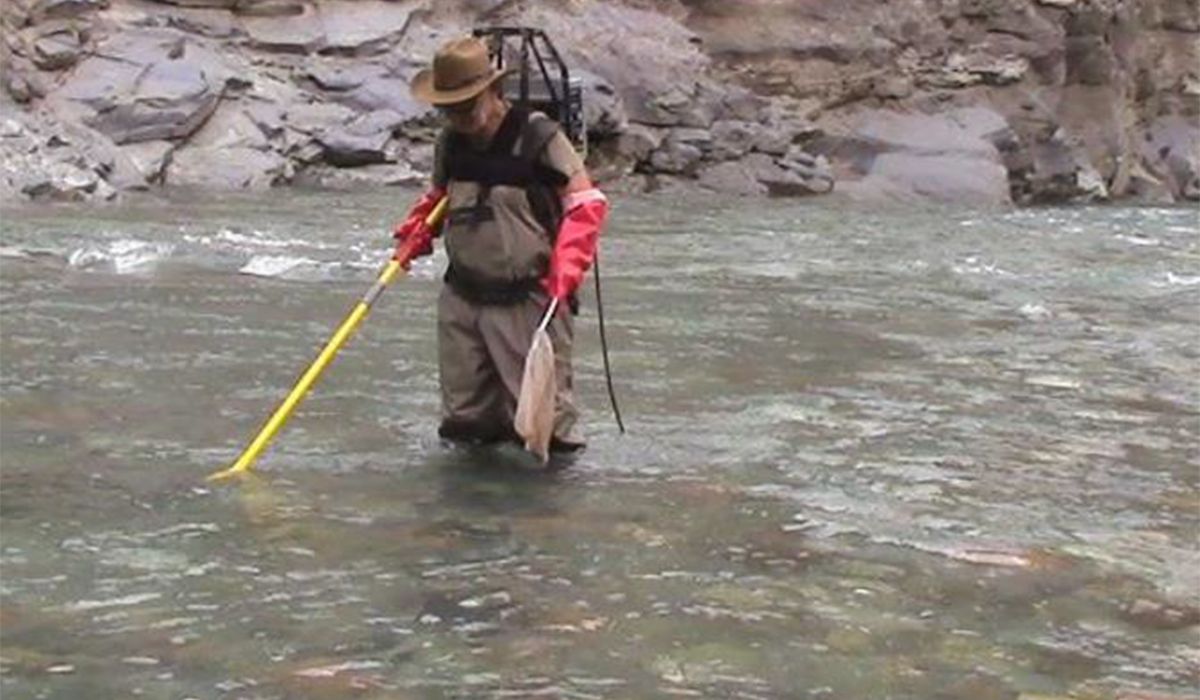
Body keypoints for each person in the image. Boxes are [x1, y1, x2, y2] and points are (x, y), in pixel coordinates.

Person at [391, 35, 609, 454]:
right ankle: (472, 508)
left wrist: (569, 263)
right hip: (463, 296)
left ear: (492, 91)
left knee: (542, 423)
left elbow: (585, 205)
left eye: (465, 107)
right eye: (447, 109)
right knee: (464, 419)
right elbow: (442, 198)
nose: (457, 118)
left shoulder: (541, 138)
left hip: (529, 297)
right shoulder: (450, 142)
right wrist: (418, 229)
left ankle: (547, 510)